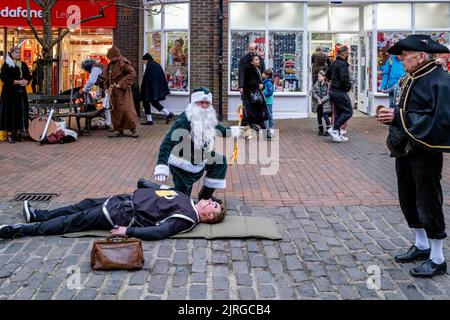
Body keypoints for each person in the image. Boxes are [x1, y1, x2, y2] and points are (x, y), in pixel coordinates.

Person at [377, 34, 450, 278]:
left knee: (428, 199)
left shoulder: (438, 80)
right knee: (408, 195)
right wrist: (394, 113)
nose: (401, 61)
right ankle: (421, 245)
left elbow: (440, 120)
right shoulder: (413, 76)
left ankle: (438, 258)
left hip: (425, 151)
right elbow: (410, 108)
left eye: (405, 57)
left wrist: (398, 117)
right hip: (406, 149)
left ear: (420, 56)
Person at [0, 185, 226, 241]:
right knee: (80, 205)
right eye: (213, 202)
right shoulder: (187, 198)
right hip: (121, 199)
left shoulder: (188, 218)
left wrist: (128, 231)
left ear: (208, 217)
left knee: (73, 221)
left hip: (122, 214)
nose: (209, 201)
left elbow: (161, 232)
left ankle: (20, 230)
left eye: (213, 206)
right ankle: (38, 215)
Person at [149, 87, 241, 201]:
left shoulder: (208, 118)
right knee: (181, 200)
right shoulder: (184, 121)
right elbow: (167, 142)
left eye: (207, 103)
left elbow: (220, 130)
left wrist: (236, 131)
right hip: (182, 165)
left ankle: (205, 197)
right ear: (193, 103)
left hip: (200, 158)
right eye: (200, 102)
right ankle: (154, 189)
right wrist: (162, 165)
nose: (204, 105)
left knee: (220, 162)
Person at [104, 46, 140, 138]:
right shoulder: (111, 64)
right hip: (113, 91)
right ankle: (118, 130)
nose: (109, 59)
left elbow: (132, 73)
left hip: (122, 91)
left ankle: (133, 129)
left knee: (126, 109)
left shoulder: (123, 62)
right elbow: (107, 78)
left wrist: (121, 83)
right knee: (115, 110)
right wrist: (106, 88)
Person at [0, 46, 32, 143]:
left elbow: (28, 76)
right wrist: (17, 82)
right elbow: (4, 78)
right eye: (16, 52)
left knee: (20, 112)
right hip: (9, 93)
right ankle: (10, 134)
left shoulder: (22, 64)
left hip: (21, 93)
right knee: (10, 113)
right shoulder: (6, 64)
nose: (18, 54)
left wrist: (26, 81)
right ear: (12, 53)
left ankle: (19, 132)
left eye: (19, 52)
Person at [325, 46, 352, 143]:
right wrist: (348, 86)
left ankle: (338, 134)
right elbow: (344, 78)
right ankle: (335, 129)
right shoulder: (343, 64)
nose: (348, 55)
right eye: (348, 53)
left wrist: (333, 80)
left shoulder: (333, 63)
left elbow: (327, 75)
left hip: (333, 90)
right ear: (344, 54)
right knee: (348, 111)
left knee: (340, 112)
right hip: (339, 91)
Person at [140, 53, 174, 125]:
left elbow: (147, 79)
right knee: (154, 103)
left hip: (150, 89)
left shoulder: (150, 66)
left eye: (143, 61)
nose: (144, 63)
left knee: (146, 102)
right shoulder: (156, 65)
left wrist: (144, 89)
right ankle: (168, 113)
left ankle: (149, 120)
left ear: (146, 60)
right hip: (156, 88)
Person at [242, 55, 270, 138]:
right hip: (253, 98)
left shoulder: (256, 69)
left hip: (254, 97)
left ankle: (249, 133)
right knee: (258, 116)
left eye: (258, 59)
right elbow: (249, 83)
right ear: (252, 62)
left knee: (251, 118)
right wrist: (259, 85)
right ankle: (266, 134)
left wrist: (261, 85)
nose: (258, 61)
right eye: (256, 60)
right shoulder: (250, 70)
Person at [80, 58, 111, 129]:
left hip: (109, 87)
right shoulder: (98, 67)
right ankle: (108, 123)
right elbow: (100, 85)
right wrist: (97, 97)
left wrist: (85, 90)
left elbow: (92, 81)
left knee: (107, 106)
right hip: (107, 87)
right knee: (107, 105)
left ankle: (109, 123)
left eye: (87, 70)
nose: (88, 72)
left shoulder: (95, 69)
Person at [312, 70, 332, 136]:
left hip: (325, 103)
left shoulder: (328, 85)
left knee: (325, 116)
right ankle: (320, 130)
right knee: (319, 116)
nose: (319, 78)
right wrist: (318, 99)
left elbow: (328, 95)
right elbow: (314, 92)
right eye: (318, 76)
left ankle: (329, 130)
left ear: (324, 77)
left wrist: (322, 100)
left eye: (320, 76)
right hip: (318, 104)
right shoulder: (316, 84)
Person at [262, 69, 274, 138]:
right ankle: (264, 128)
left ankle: (271, 128)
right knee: (263, 115)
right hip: (264, 101)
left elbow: (270, 92)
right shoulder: (265, 82)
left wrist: (262, 92)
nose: (262, 75)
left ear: (267, 75)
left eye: (263, 73)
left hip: (268, 102)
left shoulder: (268, 83)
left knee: (269, 115)